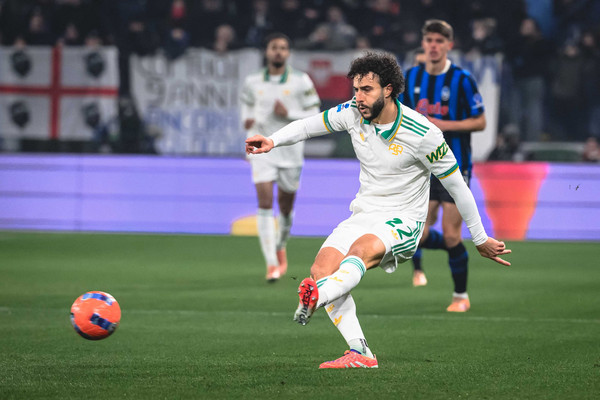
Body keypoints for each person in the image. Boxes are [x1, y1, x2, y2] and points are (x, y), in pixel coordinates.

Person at [246, 52, 511, 368]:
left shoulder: (423, 133)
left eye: (366, 90)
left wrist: (479, 238)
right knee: (321, 270)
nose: (358, 97)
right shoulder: (351, 113)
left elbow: (458, 188)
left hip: (404, 220)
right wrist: (272, 141)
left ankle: (318, 296)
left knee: (359, 251)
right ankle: (360, 352)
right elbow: (307, 126)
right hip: (364, 214)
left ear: (388, 89)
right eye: (356, 89)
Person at [399, 20, 486, 312]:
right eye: (429, 40)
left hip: (455, 165)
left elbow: (480, 121)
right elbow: (399, 116)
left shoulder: (462, 79)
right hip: (422, 167)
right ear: (423, 44)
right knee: (416, 235)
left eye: (439, 41)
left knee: (451, 233)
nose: (433, 46)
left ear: (449, 45)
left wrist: (444, 125)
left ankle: (461, 296)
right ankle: (441, 257)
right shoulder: (410, 77)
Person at [241, 32, 321, 282]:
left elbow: (315, 113)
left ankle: (281, 244)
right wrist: (247, 127)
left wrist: (289, 113)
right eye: (274, 47)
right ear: (267, 51)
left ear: (288, 53)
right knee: (264, 202)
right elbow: (246, 109)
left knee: (285, 207)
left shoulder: (301, 81)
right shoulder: (252, 82)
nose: (278, 51)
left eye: (283, 48)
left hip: (290, 150)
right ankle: (272, 264)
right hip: (261, 149)